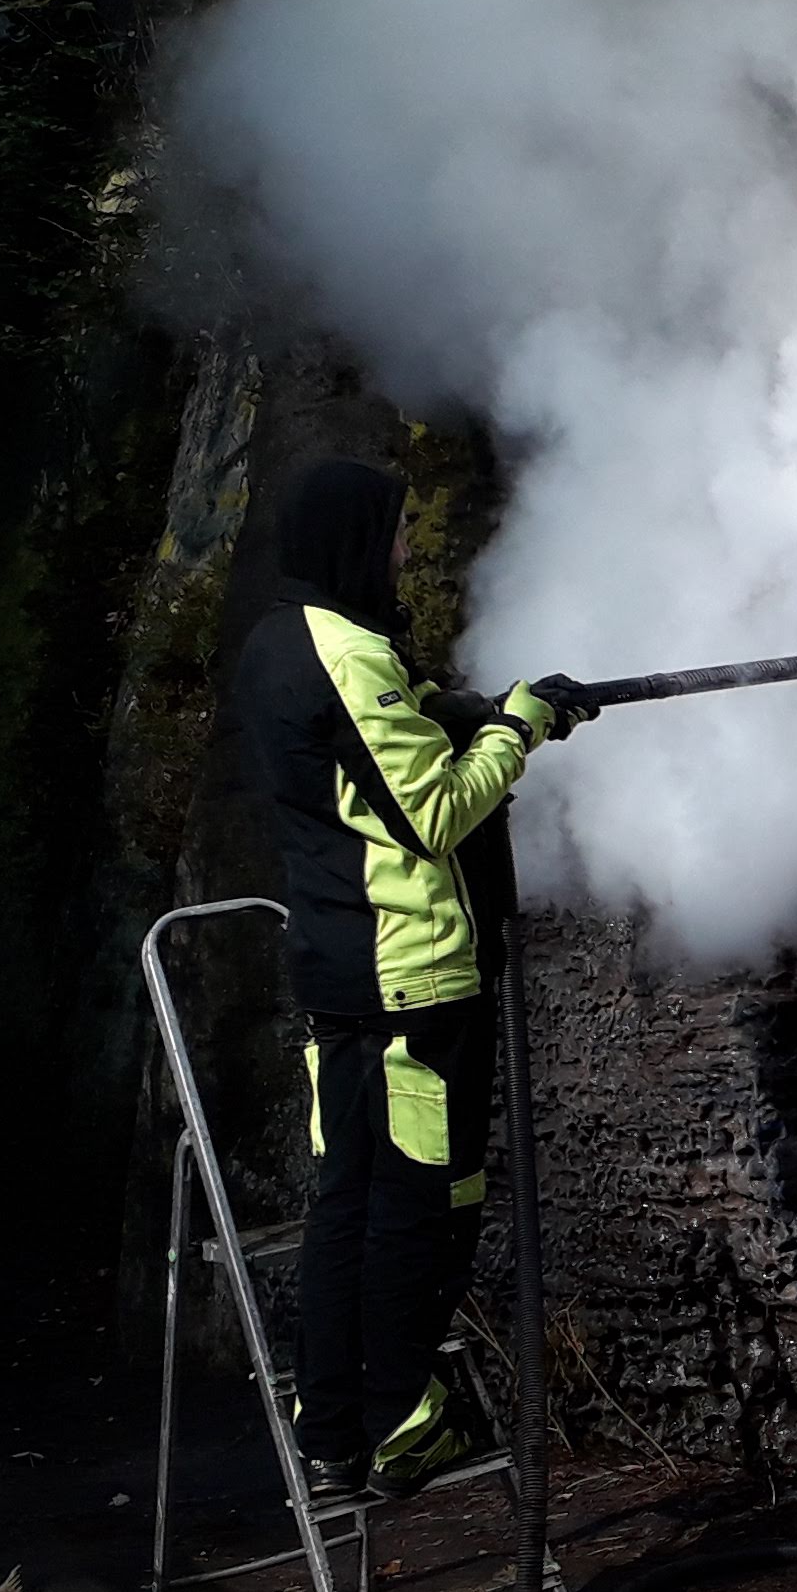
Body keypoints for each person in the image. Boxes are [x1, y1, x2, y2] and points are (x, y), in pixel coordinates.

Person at [235, 458, 585, 1502]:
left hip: (340, 971)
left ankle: (331, 1418)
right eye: (391, 532)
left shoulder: (283, 639)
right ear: (354, 539)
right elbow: (432, 811)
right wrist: (519, 728)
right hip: (410, 984)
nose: (401, 549)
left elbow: (362, 742)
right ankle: (395, 1422)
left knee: (347, 1201)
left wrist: (451, 700)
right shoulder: (350, 659)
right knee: (421, 1208)